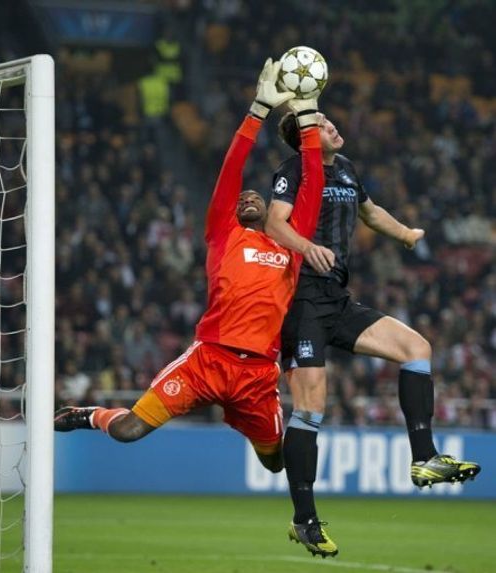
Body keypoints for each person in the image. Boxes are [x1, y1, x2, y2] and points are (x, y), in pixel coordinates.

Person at [54, 59, 333, 547]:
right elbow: (231, 172)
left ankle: (243, 425)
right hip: (208, 360)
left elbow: (313, 183)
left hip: (257, 377)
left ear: (271, 212)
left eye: (256, 198)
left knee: (275, 460)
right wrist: (258, 111)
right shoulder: (222, 234)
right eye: (242, 199)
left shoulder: (290, 246)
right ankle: (86, 415)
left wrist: (308, 118)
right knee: (127, 431)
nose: (247, 199)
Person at [265, 110, 481, 558]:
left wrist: (405, 234)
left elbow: (369, 211)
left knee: (416, 347)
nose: (333, 124)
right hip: (300, 300)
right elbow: (274, 223)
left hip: (337, 299)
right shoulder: (293, 172)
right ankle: (304, 519)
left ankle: (424, 458)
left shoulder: (344, 169)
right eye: (322, 123)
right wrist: (307, 247)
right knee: (310, 408)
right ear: (307, 137)